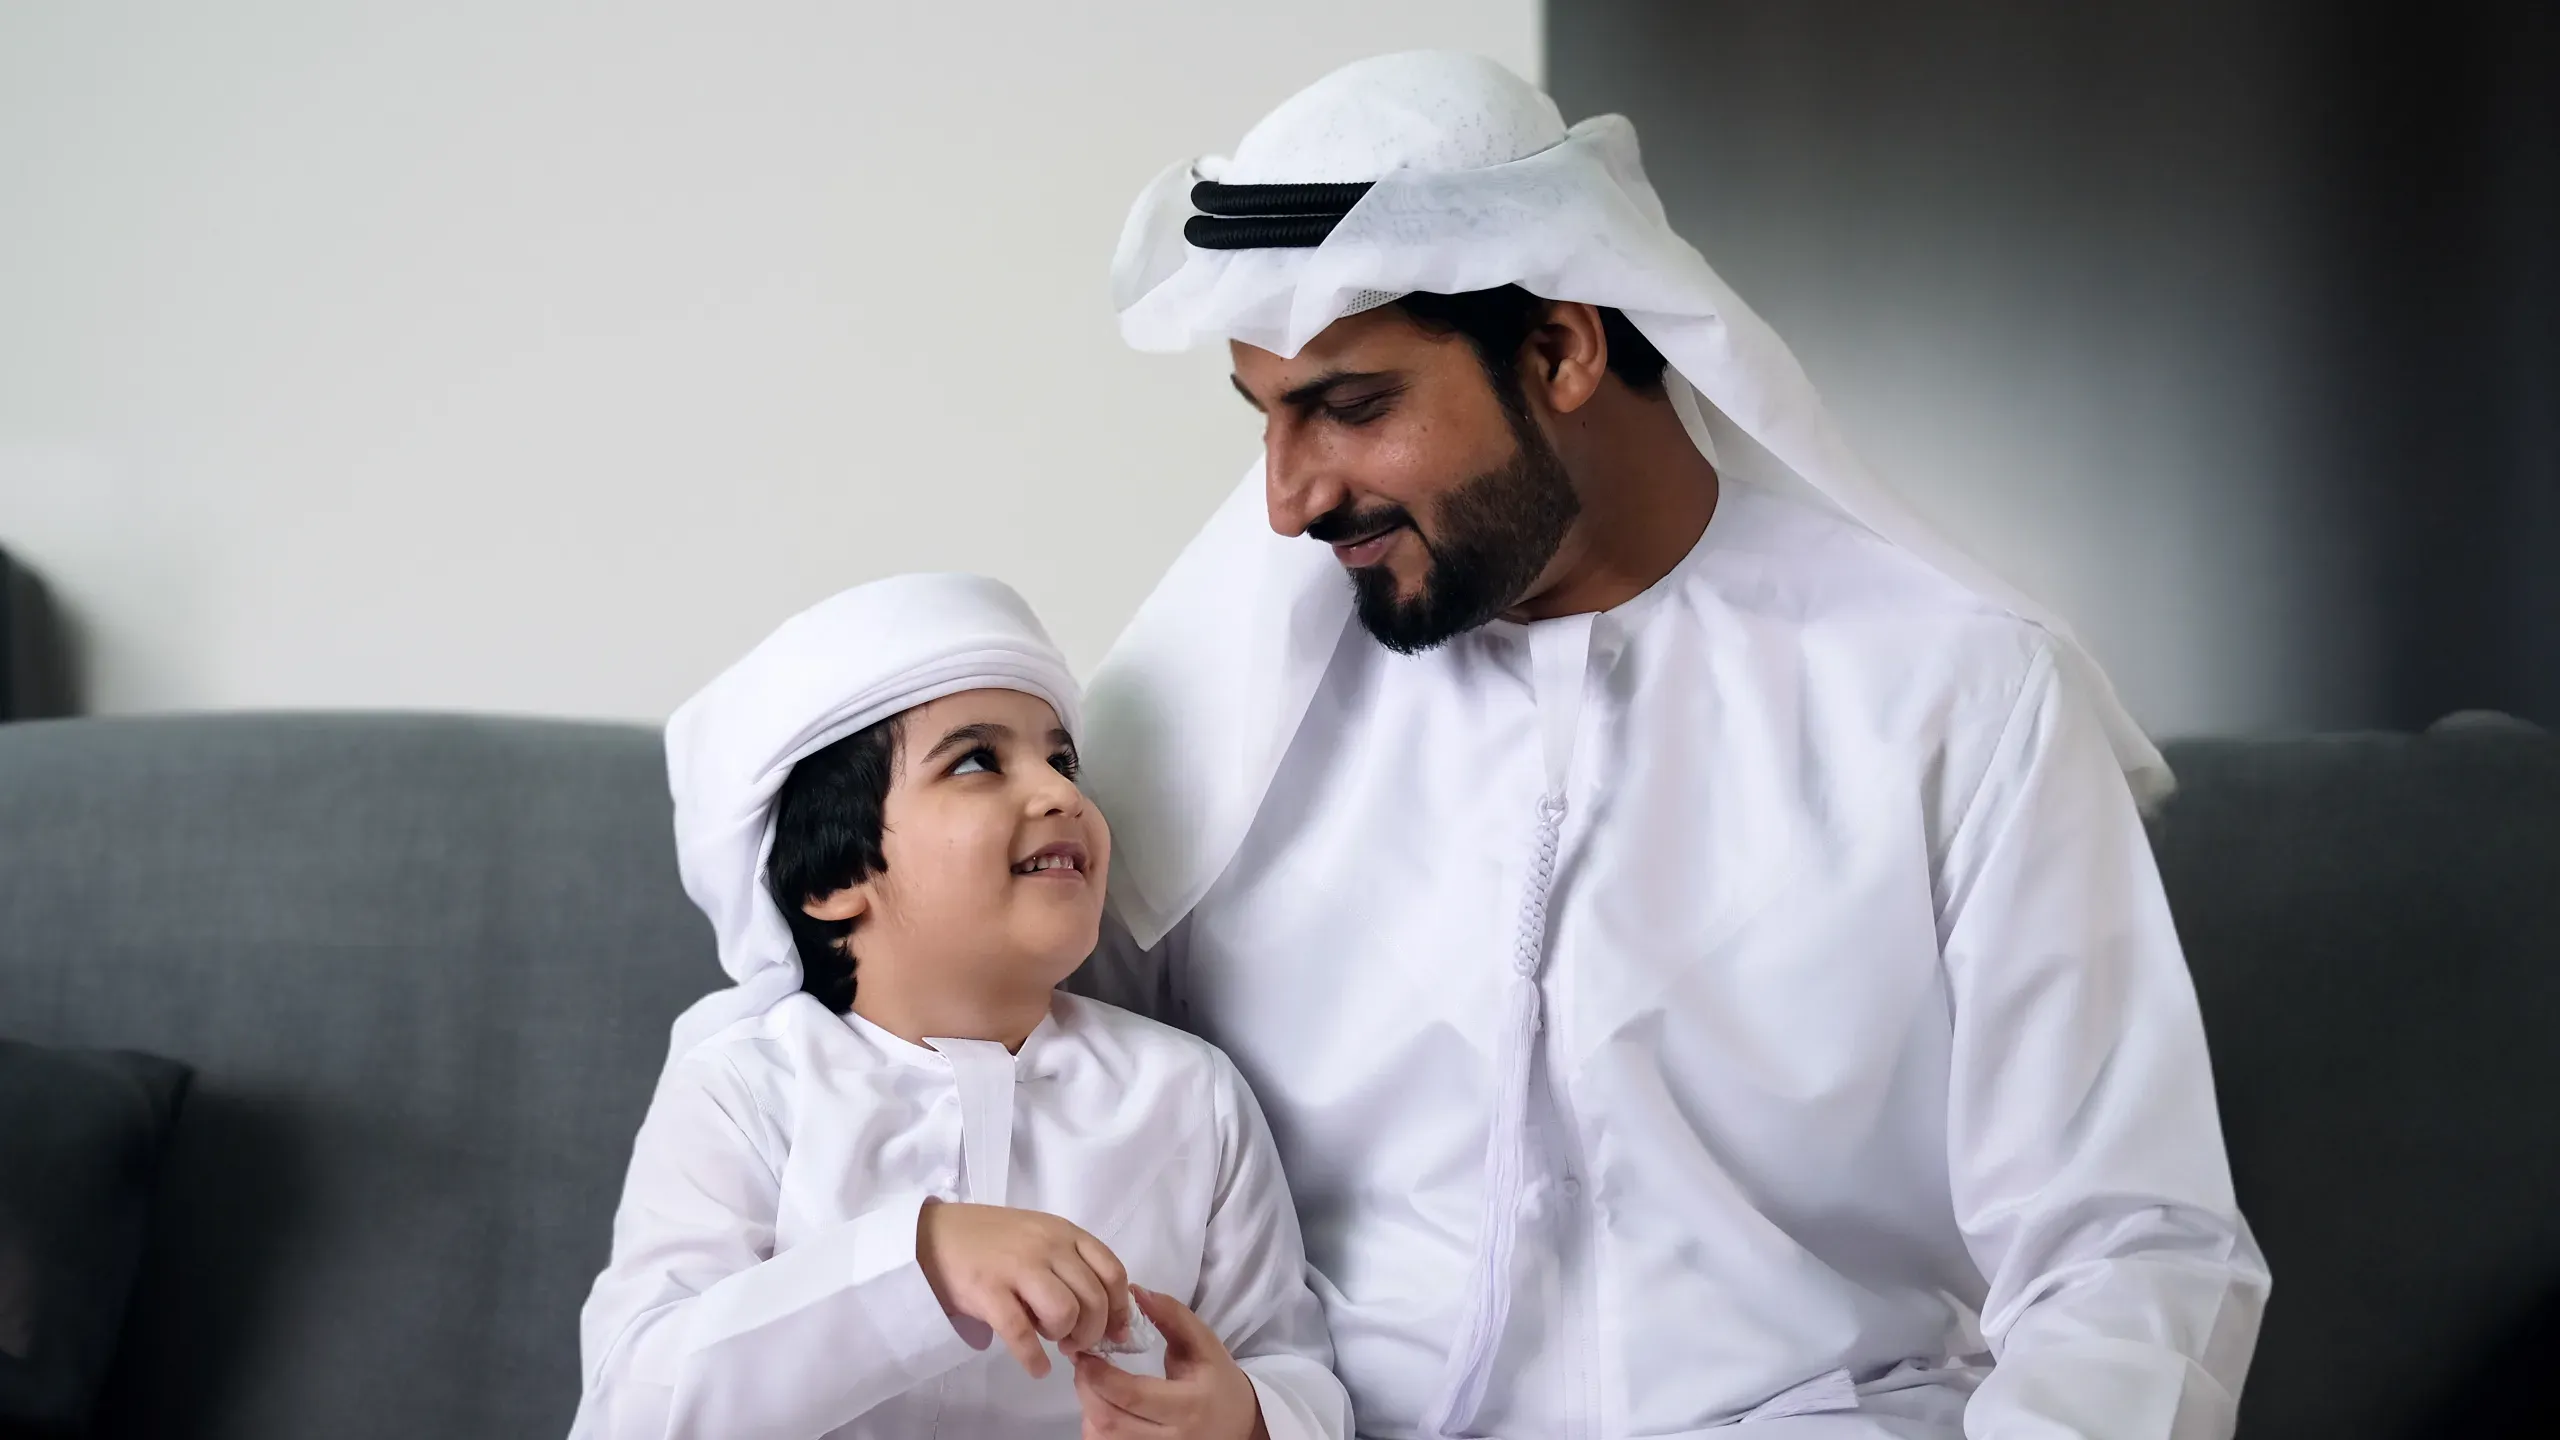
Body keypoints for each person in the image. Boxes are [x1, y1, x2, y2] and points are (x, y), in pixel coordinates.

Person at [1076, 51, 2270, 1439]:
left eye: (1353, 407)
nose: (1288, 502)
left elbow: (2125, 1259)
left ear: (1563, 350)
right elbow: (999, 1079)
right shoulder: (1221, 718)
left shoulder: (1954, 694)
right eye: (1267, 419)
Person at [570, 574, 1351, 1440]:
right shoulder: (747, 1091)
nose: (1061, 794)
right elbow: (634, 1402)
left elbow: (1290, 1361)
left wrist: (1247, 1417)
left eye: (1062, 761)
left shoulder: (1189, 1095)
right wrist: (922, 1259)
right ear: (834, 876)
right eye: (977, 762)